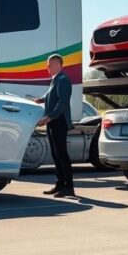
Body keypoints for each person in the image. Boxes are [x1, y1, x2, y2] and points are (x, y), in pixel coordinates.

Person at [35, 54, 75, 197]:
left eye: (50, 65)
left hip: (59, 121)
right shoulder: (56, 80)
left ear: (58, 64)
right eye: (48, 64)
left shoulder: (63, 80)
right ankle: (60, 184)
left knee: (62, 155)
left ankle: (69, 187)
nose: (48, 67)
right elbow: (50, 95)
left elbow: (63, 103)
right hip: (53, 121)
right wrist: (40, 100)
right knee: (56, 155)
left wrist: (48, 117)